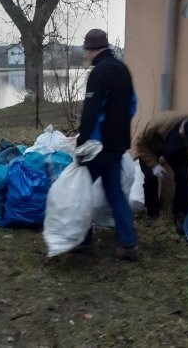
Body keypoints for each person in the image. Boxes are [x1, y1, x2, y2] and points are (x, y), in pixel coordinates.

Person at [76, 28, 141, 261]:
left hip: (98, 146)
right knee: (115, 193)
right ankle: (128, 244)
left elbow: (92, 111)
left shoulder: (99, 73)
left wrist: (83, 144)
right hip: (118, 144)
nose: (86, 54)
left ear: (91, 49)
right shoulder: (123, 69)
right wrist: (119, 129)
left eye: (86, 50)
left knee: (81, 190)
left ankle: (83, 242)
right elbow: (133, 104)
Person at [134, 111, 188, 234]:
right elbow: (139, 143)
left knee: (183, 180)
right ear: (182, 128)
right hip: (150, 149)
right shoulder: (160, 123)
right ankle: (152, 213)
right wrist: (154, 165)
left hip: (178, 152)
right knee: (151, 178)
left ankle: (180, 214)